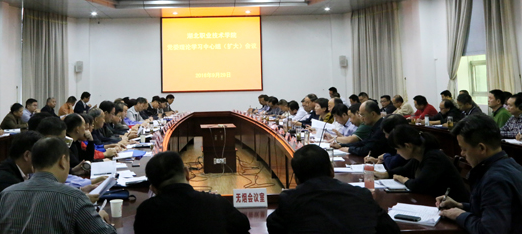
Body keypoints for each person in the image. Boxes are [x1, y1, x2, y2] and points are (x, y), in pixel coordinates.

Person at [0, 137, 116, 234]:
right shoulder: (74, 197)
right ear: (62, 161)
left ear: (33, 164)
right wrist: (98, 220)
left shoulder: (4, 195)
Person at [266, 145, 399, 234]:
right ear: (331, 171)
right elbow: (391, 230)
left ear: (297, 179)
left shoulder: (289, 200)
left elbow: (273, 226)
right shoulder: (361, 195)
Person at [437, 115, 522, 233]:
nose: (462, 154)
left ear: (481, 148)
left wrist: (459, 215)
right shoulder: (511, 164)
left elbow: (489, 230)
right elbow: (493, 209)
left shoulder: (495, 179)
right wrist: (460, 206)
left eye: (464, 149)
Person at [134, 151, 250, 234]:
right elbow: (243, 225)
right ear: (187, 173)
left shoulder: (145, 211)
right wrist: (208, 199)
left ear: (153, 188)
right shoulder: (216, 203)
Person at [377, 124, 470, 201]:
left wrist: (404, 180)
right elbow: (404, 170)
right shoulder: (419, 153)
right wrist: (385, 174)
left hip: (454, 205)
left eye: (397, 149)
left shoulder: (433, 157)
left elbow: (418, 185)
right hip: (435, 201)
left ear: (408, 146)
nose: (397, 152)